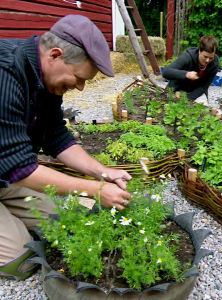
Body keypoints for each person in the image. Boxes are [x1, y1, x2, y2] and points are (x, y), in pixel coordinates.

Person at [0, 15, 132, 280]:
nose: (81, 88)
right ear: (56, 55)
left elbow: (56, 136)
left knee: (63, 224)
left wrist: (103, 173)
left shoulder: (45, 79)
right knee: (21, 260)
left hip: (5, 173)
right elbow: (20, 168)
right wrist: (96, 190)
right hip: (11, 170)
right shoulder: (5, 72)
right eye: (79, 77)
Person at [162, 35, 219, 100]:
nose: (207, 60)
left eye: (211, 58)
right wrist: (186, 74)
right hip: (177, 88)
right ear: (199, 51)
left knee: (202, 107)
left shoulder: (214, 63)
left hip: (195, 92)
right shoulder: (187, 57)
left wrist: (188, 99)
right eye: (205, 57)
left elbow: (204, 86)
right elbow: (166, 72)